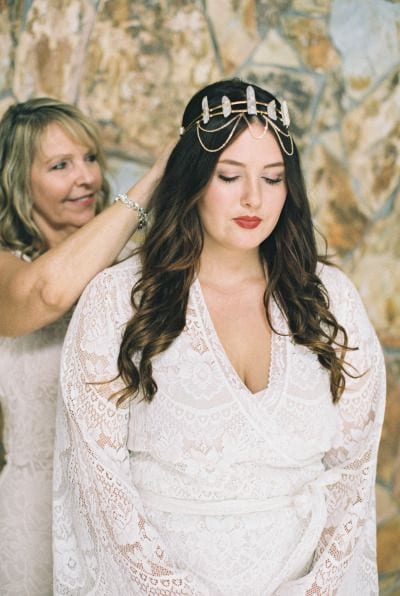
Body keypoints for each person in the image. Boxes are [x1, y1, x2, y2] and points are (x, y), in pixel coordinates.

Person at [53, 79, 386, 595]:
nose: (254, 197)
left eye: (272, 178)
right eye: (229, 175)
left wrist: (317, 586)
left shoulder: (330, 298)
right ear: (191, 179)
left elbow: (354, 468)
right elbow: (101, 483)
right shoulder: (119, 301)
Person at [0, 97, 168, 595]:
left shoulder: (136, 264)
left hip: (123, 508)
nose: (88, 178)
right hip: (33, 510)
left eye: (91, 158)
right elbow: (49, 292)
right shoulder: (7, 267)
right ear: (17, 181)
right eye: (60, 165)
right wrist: (153, 180)